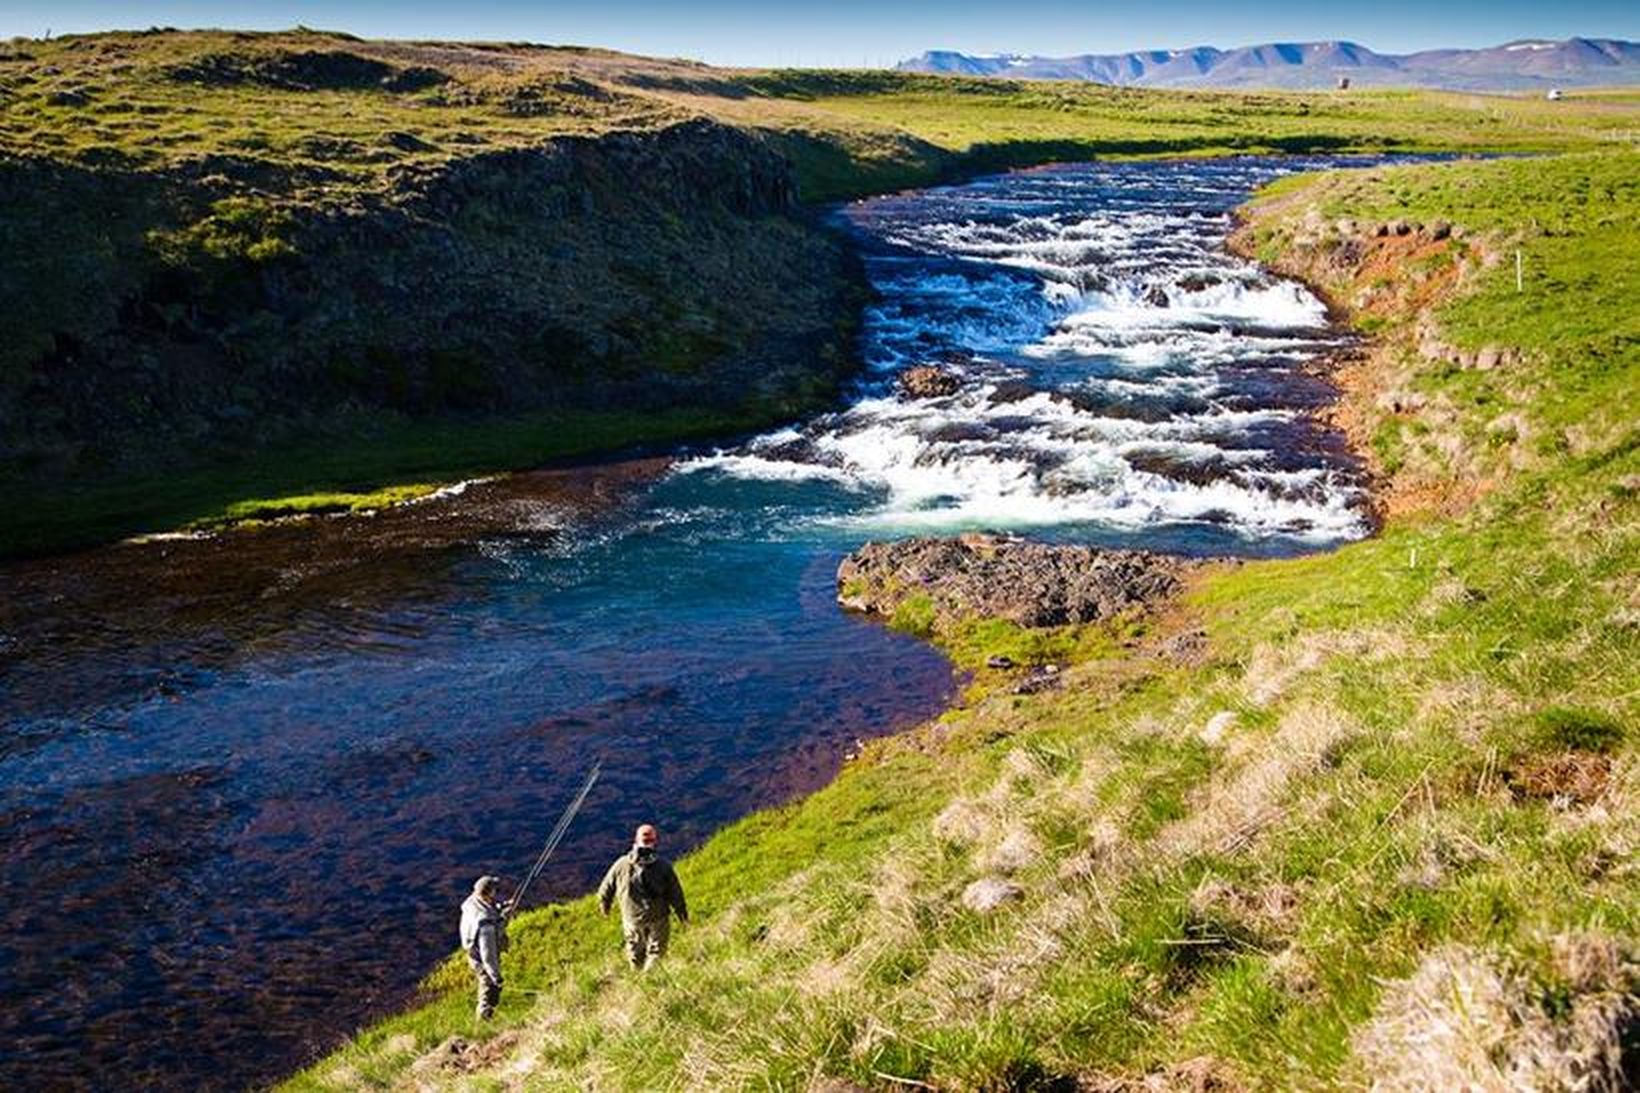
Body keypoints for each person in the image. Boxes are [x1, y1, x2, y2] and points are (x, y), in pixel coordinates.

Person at [597, 824, 688, 970]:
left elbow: (605, 889)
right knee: (656, 952)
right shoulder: (663, 866)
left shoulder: (621, 864)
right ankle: (649, 978)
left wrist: (605, 906)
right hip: (658, 917)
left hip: (631, 918)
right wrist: (682, 915)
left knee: (635, 952)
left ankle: (637, 979)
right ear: (655, 841)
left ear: (635, 840)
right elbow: (675, 893)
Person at [459, 875, 507, 1019]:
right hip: (480, 956)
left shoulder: (471, 902)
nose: (496, 892)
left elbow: (488, 908)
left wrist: (501, 908)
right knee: (487, 984)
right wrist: (496, 976)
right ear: (489, 893)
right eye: (494, 890)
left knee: (489, 985)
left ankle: (490, 1013)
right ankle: (483, 1017)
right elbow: (488, 955)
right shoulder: (485, 924)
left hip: (472, 950)